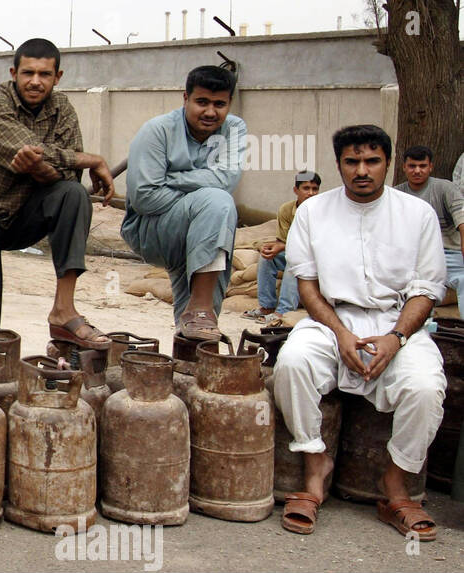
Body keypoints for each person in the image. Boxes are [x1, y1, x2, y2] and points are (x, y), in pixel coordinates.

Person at [274, 125, 446, 540]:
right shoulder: (312, 212)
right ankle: (316, 469)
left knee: (426, 387)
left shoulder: (417, 214)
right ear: (339, 165)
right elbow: (308, 287)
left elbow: (426, 290)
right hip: (332, 320)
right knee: (291, 364)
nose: (362, 170)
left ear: (388, 163)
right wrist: (341, 333)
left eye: (372, 161)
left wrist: (395, 338)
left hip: (396, 323)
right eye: (352, 162)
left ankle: (395, 485)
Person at [0, 38, 115, 359]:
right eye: (28, 73)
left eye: (44, 74)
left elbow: (63, 178)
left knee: (72, 195)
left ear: (57, 77)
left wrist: (42, 170)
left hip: (25, 218)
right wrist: (91, 159)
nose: (36, 81)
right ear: (13, 73)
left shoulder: (62, 111)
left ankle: (63, 310)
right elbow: (23, 145)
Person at [121, 65, 247, 341]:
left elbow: (227, 178)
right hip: (149, 229)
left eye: (219, 104)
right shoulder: (158, 130)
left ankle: (192, 349)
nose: (211, 112)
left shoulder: (234, 128)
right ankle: (199, 310)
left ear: (229, 104)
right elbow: (144, 198)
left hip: (198, 225)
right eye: (202, 102)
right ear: (185, 98)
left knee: (214, 226)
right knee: (217, 203)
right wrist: (200, 194)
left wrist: (172, 178)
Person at [242, 171, 320, 325]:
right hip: (294, 252)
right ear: (296, 190)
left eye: (315, 189)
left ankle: (283, 311)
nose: (311, 193)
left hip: (317, 260)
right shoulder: (286, 210)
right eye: (306, 188)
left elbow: (318, 246)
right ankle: (267, 306)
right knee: (267, 258)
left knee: (294, 259)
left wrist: (283, 247)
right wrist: (274, 248)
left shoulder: (323, 211)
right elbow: (282, 241)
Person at [393, 145, 464, 299]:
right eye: (412, 166)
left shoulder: (446, 188)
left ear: (430, 167)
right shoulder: (396, 194)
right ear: (404, 167)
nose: (417, 171)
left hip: (449, 253)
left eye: (422, 166)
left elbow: (462, 223)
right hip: (412, 255)